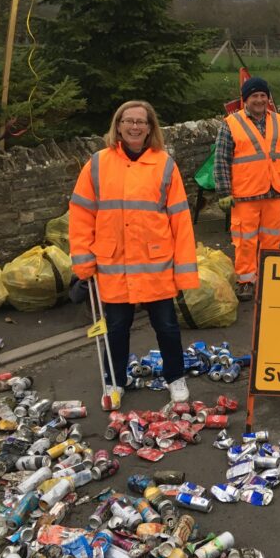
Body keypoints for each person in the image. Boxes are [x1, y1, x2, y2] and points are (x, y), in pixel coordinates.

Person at [69, 100, 199, 405]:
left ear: (151, 128)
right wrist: (83, 259)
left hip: (156, 265)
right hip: (114, 264)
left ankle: (175, 377)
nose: (135, 126)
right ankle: (114, 380)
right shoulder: (98, 163)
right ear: (118, 125)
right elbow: (81, 213)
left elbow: (180, 219)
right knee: (115, 327)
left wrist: (184, 269)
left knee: (166, 325)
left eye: (141, 122)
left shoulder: (165, 164)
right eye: (128, 121)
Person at [214, 77, 280, 302]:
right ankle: (246, 282)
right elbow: (221, 159)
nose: (260, 100)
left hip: (274, 192)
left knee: (272, 239)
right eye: (254, 96)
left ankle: (269, 279)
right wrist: (224, 192)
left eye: (263, 95)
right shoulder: (231, 123)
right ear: (245, 99)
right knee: (245, 241)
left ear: (268, 98)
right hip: (245, 194)